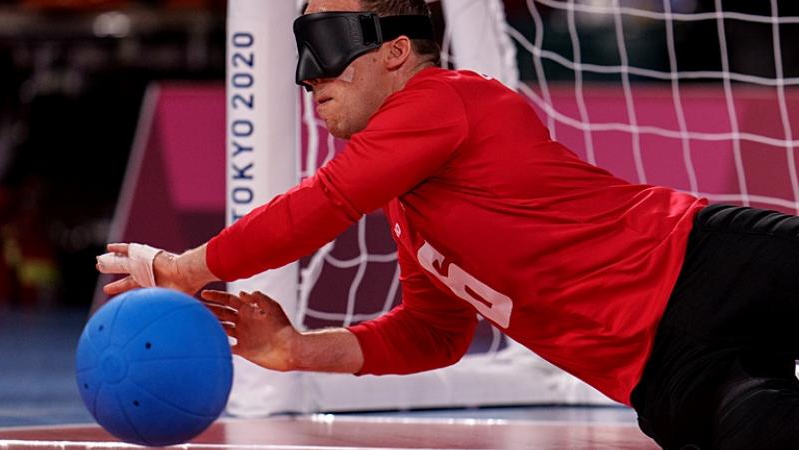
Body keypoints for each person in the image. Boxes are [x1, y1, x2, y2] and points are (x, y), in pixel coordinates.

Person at [96, 1, 799, 448]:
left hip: (702, 265)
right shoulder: (413, 220)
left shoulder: (446, 99)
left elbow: (324, 203)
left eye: (329, 41)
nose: (311, 77)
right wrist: (294, 350)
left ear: (396, 52)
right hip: (660, 372)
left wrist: (187, 269)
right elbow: (433, 334)